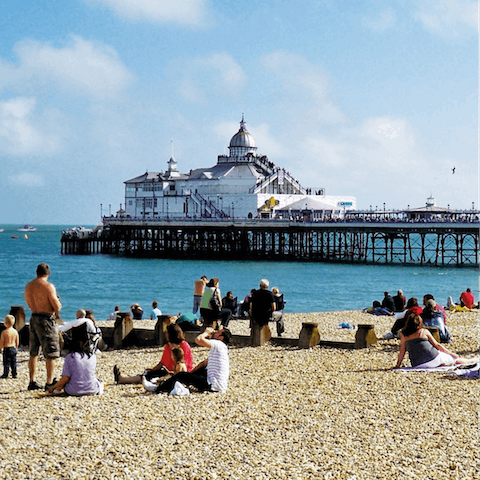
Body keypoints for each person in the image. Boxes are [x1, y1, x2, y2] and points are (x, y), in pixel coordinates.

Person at [150, 326, 231, 394]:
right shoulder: (222, 349)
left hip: (212, 385)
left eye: (218, 332)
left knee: (181, 375)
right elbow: (204, 363)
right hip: (219, 385)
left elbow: (198, 340)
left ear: (221, 338)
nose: (215, 333)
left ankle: (158, 388)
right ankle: (172, 384)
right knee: (196, 372)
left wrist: (206, 333)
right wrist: (191, 374)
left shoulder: (219, 344)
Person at [114, 323, 194, 385]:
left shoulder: (184, 345)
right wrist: (153, 369)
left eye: (167, 333)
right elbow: (163, 362)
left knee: (155, 376)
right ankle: (123, 379)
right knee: (149, 374)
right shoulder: (168, 346)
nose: (165, 334)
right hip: (168, 371)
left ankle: (124, 380)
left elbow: (184, 364)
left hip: (180, 372)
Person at [24, 262, 62, 391]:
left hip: (33, 317)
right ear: (48, 273)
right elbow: (56, 307)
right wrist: (57, 301)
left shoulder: (29, 286)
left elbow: (29, 302)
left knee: (33, 352)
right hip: (46, 319)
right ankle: (49, 381)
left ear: (36, 272)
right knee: (50, 353)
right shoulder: (48, 286)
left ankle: (32, 381)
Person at [393, 313, 473, 369]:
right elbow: (437, 345)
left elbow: (402, 351)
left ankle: (443, 363)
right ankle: (471, 360)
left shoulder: (404, 334)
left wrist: (398, 365)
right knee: (455, 359)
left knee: (446, 359)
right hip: (433, 357)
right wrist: (451, 353)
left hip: (417, 363)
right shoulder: (423, 331)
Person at [47, 322, 103, 396]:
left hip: (72, 391)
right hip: (92, 389)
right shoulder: (92, 356)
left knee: (66, 382)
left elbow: (65, 378)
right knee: (97, 381)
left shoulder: (70, 357)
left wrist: (53, 387)